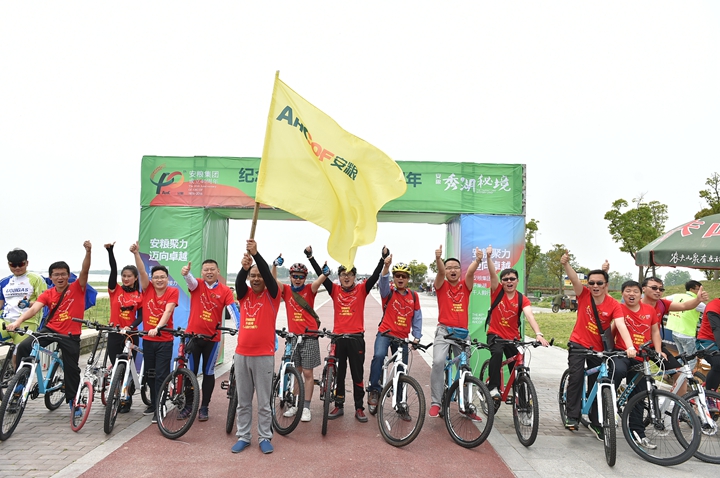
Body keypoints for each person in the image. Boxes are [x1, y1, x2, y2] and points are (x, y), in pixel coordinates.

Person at [8, 241, 92, 415]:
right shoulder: (48, 293)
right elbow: (34, 309)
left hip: (70, 335)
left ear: (68, 276)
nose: (60, 278)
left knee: (71, 369)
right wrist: (17, 322)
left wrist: (88, 252)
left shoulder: (77, 288)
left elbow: (85, 270)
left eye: (63, 274)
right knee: (24, 346)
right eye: (56, 275)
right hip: (51, 330)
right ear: (51, 277)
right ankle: (20, 383)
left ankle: (73, 401)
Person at [560, 251, 634, 437]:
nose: (595, 286)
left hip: (599, 349)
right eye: (591, 283)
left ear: (606, 285)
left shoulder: (614, 304)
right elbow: (574, 279)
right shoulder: (583, 294)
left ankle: (596, 421)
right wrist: (566, 265)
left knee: (598, 383)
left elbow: (620, 325)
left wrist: (630, 346)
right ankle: (572, 416)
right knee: (576, 378)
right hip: (578, 344)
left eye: (599, 283)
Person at [326, 246, 388, 423]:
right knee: (339, 374)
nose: (346, 277)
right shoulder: (334, 290)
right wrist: (311, 257)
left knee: (357, 375)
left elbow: (375, 276)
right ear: (339, 277)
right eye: (343, 274)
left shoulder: (361, 289)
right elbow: (322, 278)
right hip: (338, 338)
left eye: (350, 274)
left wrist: (382, 258)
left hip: (356, 339)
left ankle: (359, 408)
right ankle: (339, 405)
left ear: (355, 276)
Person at [232, 239, 280, 455]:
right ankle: (243, 436)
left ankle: (264, 437)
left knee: (263, 402)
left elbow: (269, 277)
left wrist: (257, 255)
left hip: (263, 355)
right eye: (253, 276)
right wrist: (244, 269)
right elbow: (239, 284)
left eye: (259, 275)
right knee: (243, 401)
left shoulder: (272, 295)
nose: (256, 278)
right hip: (242, 354)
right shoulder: (244, 296)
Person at [486, 245, 549, 403]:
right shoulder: (496, 292)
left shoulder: (522, 299)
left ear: (517, 281)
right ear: (501, 282)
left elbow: (530, 316)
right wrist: (488, 258)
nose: (509, 281)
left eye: (512, 279)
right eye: (505, 279)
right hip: (495, 335)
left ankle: (521, 400)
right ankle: (493, 387)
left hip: (513, 338)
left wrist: (538, 334)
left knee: (519, 365)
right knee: (497, 354)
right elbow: (492, 273)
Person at [271, 252, 328, 423]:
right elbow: (272, 280)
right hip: (294, 337)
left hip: (309, 336)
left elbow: (321, 279)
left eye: (301, 277)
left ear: (305, 278)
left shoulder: (310, 289)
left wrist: (325, 272)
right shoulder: (286, 290)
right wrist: (274, 265)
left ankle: (306, 408)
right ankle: (296, 404)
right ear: (290, 277)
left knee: (308, 373)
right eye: (294, 276)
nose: (297, 279)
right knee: (297, 372)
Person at [428, 245, 483, 418]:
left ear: (460, 271)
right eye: (449, 267)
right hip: (444, 332)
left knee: (465, 368)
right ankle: (436, 402)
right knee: (438, 362)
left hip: (462, 334)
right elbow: (440, 272)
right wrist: (438, 259)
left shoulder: (466, 286)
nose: (452, 270)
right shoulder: (441, 285)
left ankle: (465, 405)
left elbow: (471, 272)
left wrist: (478, 260)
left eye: (456, 268)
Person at [181, 259, 239, 422]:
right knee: (190, 373)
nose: (209, 272)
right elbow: (190, 281)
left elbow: (232, 309)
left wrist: (240, 328)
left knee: (208, 372)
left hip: (212, 340)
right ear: (202, 272)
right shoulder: (197, 285)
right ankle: (189, 405)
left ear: (218, 271)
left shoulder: (225, 290)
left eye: (212, 269)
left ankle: (204, 407)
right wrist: (186, 274)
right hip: (193, 337)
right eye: (206, 269)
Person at [611, 280, 664, 450]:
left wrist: (658, 351)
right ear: (622, 293)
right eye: (628, 291)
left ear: (641, 294)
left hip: (642, 356)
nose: (631, 294)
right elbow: (612, 331)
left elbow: (655, 331)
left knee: (640, 395)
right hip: (622, 353)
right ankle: (609, 402)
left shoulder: (649, 310)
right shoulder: (619, 309)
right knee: (618, 370)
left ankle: (637, 433)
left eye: (635, 291)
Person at [367, 256, 422, 414]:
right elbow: (383, 281)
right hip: (385, 333)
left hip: (402, 338)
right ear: (394, 278)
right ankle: (374, 390)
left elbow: (417, 317)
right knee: (379, 356)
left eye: (403, 276)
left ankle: (400, 402)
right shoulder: (388, 293)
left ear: (408, 279)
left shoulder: (414, 296)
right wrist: (386, 266)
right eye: (397, 275)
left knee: (401, 370)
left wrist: (417, 336)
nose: (400, 278)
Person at [131, 241, 178, 424]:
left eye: (162, 277)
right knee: (149, 374)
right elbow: (141, 271)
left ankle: (160, 405)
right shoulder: (147, 289)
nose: (159, 280)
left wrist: (158, 327)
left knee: (161, 374)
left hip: (164, 340)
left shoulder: (172, 292)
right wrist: (136, 254)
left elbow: (168, 311)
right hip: (148, 340)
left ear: (167, 279)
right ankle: (153, 402)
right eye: (156, 277)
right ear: (151, 279)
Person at [641, 276, 706, 396]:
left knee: (680, 375)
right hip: (636, 346)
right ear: (643, 288)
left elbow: (684, 306)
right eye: (654, 288)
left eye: (661, 289)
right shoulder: (635, 304)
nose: (658, 291)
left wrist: (698, 300)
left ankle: (677, 404)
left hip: (656, 346)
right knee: (638, 380)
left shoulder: (662, 304)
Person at [105, 242, 143, 413]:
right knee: (117, 367)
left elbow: (141, 316)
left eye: (129, 276)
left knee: (128, 367)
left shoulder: (139, 295)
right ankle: (116, 394)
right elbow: (113, 270)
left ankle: (126, 398)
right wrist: (110, 251)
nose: (126, 278)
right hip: (114, 332)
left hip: (131, 335)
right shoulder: (115, 290)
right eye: (124, 276)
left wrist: (130, 326)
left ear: (135, 278)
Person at [0, 249, 47, 363]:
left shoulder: (36, 279)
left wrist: (28, 304)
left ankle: (18, 374)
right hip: (6, 321)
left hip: (27, 322)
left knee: (18, 357)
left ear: (27, 263)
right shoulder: (4, 281)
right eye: (13, 265)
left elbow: (44, 302)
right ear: (9, 264)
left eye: (20, 264)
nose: (17, 268)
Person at [666, 280, 706, 373]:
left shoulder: (676, 296)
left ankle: (674, 374)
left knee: (681, 356)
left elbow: (662, 300)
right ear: (691, 289)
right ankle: (686, 378)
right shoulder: (697, 302)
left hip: (675, 332)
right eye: (698, 289)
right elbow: (710, 311)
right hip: (687, 334)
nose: (700, 292)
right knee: (691, 359)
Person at [697, 297, 720, 392]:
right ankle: (710, 395)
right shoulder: (714, 306)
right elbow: (717, 329)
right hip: (707, 341)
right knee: (718, 364)